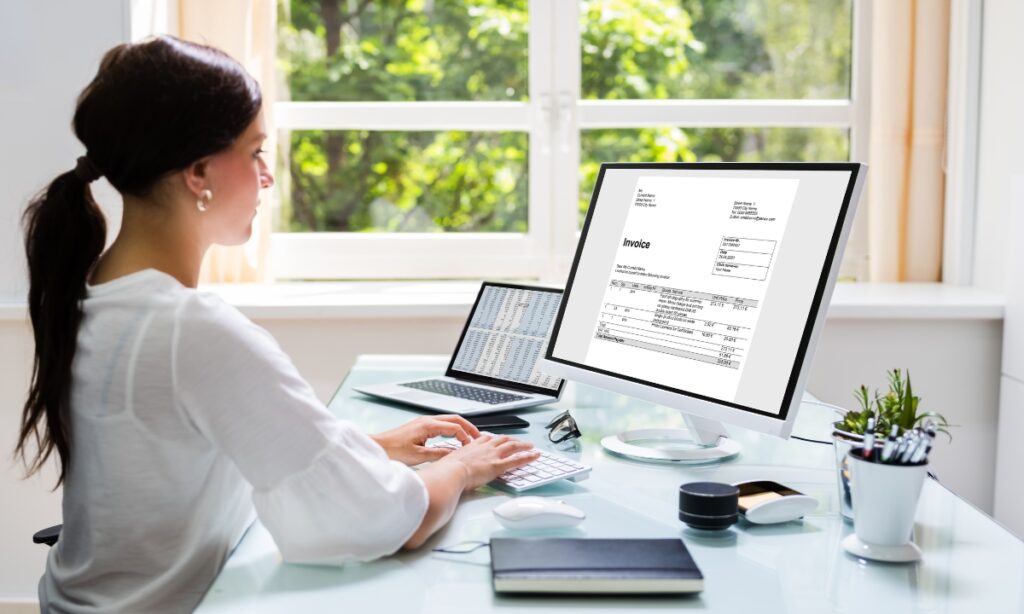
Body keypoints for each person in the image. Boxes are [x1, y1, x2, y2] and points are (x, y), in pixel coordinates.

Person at [16, 35, 540, 613]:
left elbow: (180, 456)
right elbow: (385, 519)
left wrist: (370, 447)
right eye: (255, 152)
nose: (267, 178)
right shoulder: (188, 329)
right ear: (199, 172)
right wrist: (463, 467)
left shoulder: (95, 292)